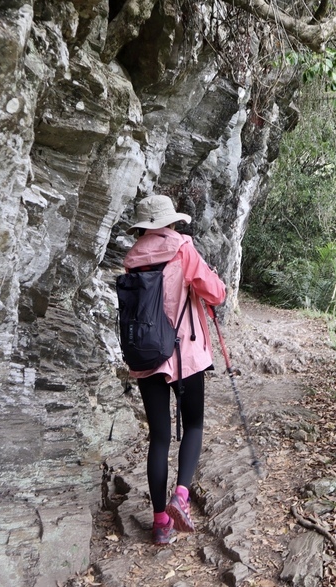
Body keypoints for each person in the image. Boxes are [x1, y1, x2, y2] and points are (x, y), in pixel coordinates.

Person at [122, 194, 227, 546]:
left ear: (142, 226)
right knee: (194, 424)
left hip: (147, 356)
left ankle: (160, 524)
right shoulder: (182, 248)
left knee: (159, 437)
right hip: (185, 355)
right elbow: (215, 293)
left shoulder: (132, 258)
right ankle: (181, 496)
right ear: (169, 221)